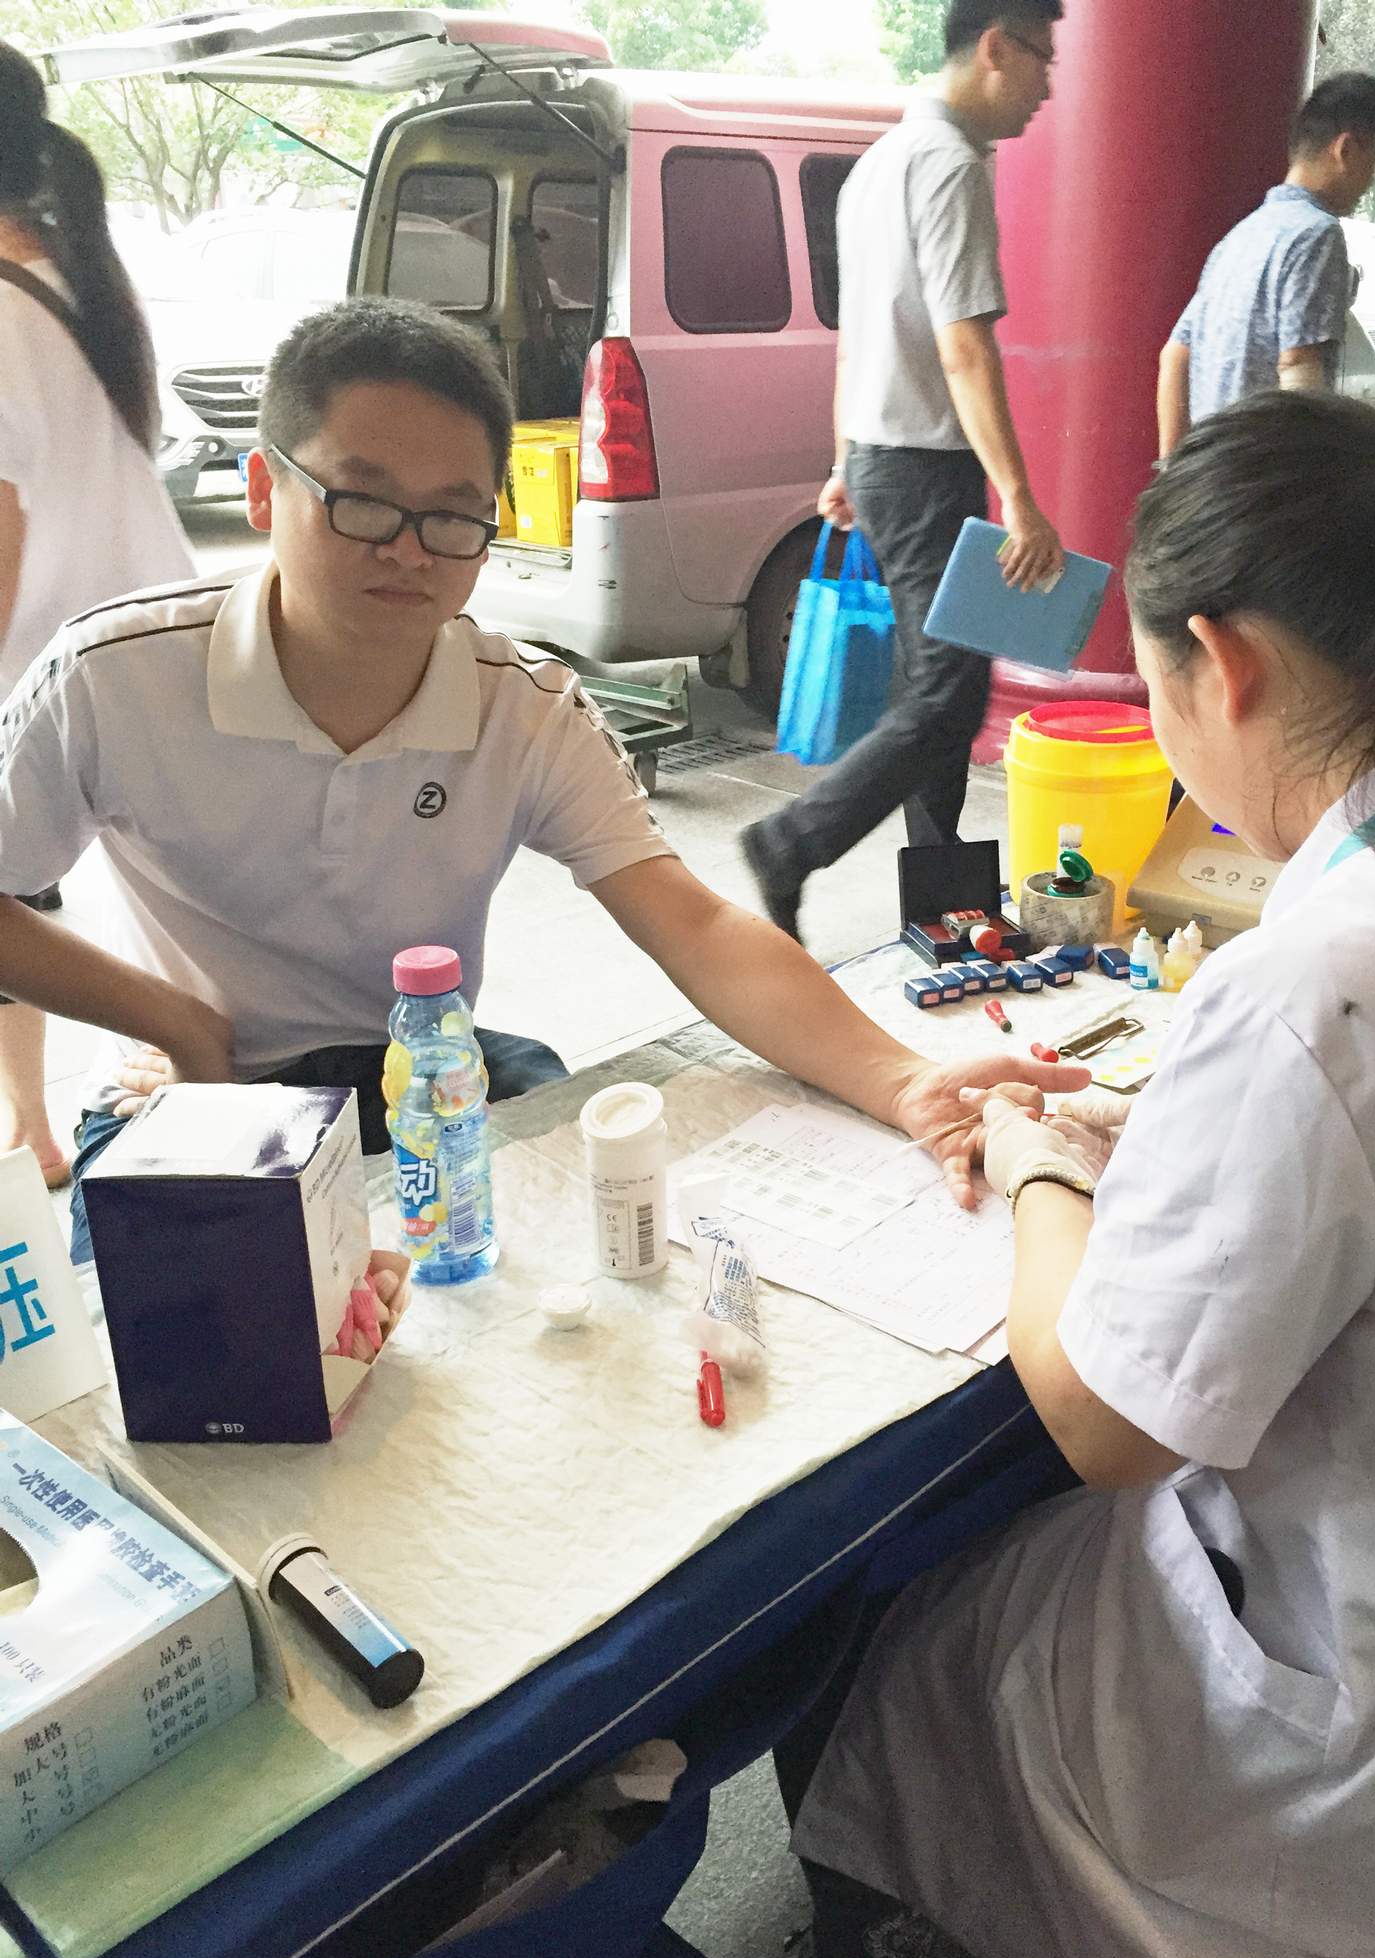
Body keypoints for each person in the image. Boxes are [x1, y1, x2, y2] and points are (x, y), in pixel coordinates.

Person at [759, 391, 1375, 1958]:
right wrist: (1169, 1129)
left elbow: (1109, 1424)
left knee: (898, 1619)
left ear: (1221, 664)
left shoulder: (1325, 982)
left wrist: (1042, 1157)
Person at [0, 296, 1080, 1264]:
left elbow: (693, 923)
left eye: (453, 515)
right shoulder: (111, 676)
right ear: (262, 487)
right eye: (361, 500)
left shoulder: (523, 707)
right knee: (196, 1349)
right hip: (194, 1090)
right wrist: (173, 1022)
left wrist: (904, 1080)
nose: (409, 552)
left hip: (420, 1080)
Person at [739, 0, 1065, 946]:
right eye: (1042, 59)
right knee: (948, 695)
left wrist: (846, 460)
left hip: (886, 460)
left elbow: (857, 338)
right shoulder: (950, 164)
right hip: (927, 466)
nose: (1048, 86)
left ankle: (945, 894)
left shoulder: (879, 164)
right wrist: (1022, 501)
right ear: (996, 48)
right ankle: (790, 843)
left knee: (937, 685)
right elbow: (964, 349)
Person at [0, 41, 194, 1187]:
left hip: (77, 676)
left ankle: (49, 1122)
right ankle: (35, 1124)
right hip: (143, 651)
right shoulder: (74, 282)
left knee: (23, 904)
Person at [1157, 71, 1375, 458]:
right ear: (1346, 149)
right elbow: (1298, 365)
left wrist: (1174, 472)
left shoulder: (1238, 239)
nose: (1371, 180)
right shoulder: (1317, 233)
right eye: (1374, 160)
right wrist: (1305, 474)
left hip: (1212, 475)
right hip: (1264, 477)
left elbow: (1175, 355)